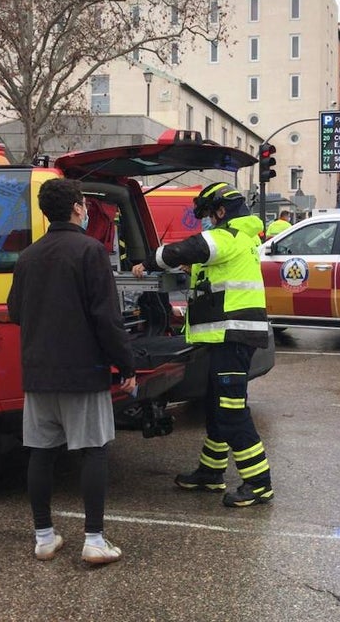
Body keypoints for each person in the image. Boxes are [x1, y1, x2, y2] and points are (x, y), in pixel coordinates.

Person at [6, 178, 136, 565]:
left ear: (47, 212)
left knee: (41, 454)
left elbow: (15, 311)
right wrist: (125, 365)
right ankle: (94, 539)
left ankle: (44, 536)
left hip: (39, 373)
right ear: (79, 208)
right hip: (83, 372)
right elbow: (106, 318)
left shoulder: (28, 256)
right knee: (93, 450)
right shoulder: (90, 251)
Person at [131, 182, 274, 507]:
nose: (205, 222)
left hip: (233, 338)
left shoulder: (228, 236)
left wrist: (148, 261)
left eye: (207, 216)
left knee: (231, 411)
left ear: (221, 212)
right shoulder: (242, 239)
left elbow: (187, 248)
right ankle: (211, 473)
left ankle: (259, 483)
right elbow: (209, 267)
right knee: (215, 405)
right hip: (225, 337)